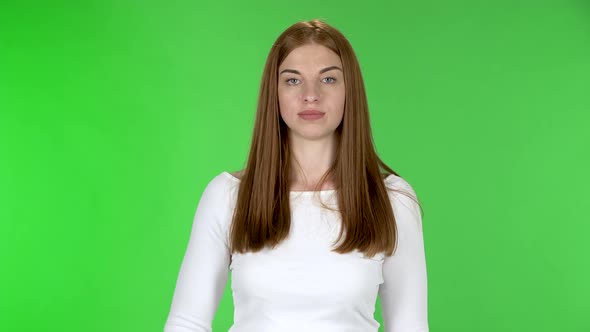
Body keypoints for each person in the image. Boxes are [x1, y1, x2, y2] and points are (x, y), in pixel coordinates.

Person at [164, 19, 429, 332]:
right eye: (293, 81)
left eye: (328, 79)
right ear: (273, 93)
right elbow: (187, 322)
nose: (311, 95)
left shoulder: (392, 200)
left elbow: (409, 326)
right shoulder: (227, 196)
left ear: (350, 91)